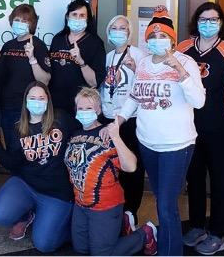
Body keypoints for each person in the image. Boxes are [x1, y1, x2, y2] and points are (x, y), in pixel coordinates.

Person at [117, 5, 205, 256]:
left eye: (163, 36)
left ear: (173, 39)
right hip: (148, 142)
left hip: (176, 146)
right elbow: (134, 96)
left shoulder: (186, 63)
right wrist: (119, 119)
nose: (157, 40)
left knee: (166, 206)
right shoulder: (144, 63)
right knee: (160, 200)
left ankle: (170, 252)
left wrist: (178, 70)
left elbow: (199, 102)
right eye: (153, 37)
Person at [177, 2, 224, 255]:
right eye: (203, 19)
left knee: (219, 180)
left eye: (213, 19)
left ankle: (218, 233)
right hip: (188, 127)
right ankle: (197, 226)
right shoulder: (183, 49)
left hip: (220, 125)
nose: (208, 24)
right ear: (196, 21)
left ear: (221, 22)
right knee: (194, 179)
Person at [65, 87, 157, 256]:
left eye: (89, 108)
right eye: (81, 108)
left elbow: (131, 166)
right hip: (81, 205)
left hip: (106, 206)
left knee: (101, 254)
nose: (84, 112)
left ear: (98, 110)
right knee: (81, 249)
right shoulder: (73, 135)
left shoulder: (107, 133)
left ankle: (145, 234)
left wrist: (115, 136)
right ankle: (122, 222)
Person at [0, 81, 75, 252]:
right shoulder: (18, 128)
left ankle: (64, 221)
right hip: (26, 184)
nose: (37, 101)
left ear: (48, 100)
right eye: (33, 98)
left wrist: (100, 130)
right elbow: (13, 162)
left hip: (56, 193)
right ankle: (27, 214)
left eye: (41, 98)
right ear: (26, 101)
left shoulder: (62, 118)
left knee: (45, 245)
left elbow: (82, 131)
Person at [99, 15, 146, 223]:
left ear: (129, 33)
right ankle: (115, 209)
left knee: (132, 168)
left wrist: (136, 68)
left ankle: (131, 213)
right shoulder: (107, 57)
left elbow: (142, 90)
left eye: (123, 28)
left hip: (130, 121)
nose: (118, 32)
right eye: (114, 28)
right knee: (113, 167)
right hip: (109, 118)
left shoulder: (139, 56)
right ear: (109, 33)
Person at [0, 4, 51, 151]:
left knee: (27, 149)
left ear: (32, 24)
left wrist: (32, 59)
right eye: (17, 19)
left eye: (25, 20)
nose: (20, 23)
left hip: (27, 109)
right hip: (6, 107)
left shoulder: (38, 46)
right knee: (11, 147)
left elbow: (45, 80)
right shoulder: (7, 46)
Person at [49, 0, 106, 114]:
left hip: (82, 107)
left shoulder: (95, 43)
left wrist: (81, 62)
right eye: (74, 14)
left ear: (88, 19)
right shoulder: (58, 39)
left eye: (82, 15)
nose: (77, 18)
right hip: (56, 105)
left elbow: (94, 82)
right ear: (67, 17)